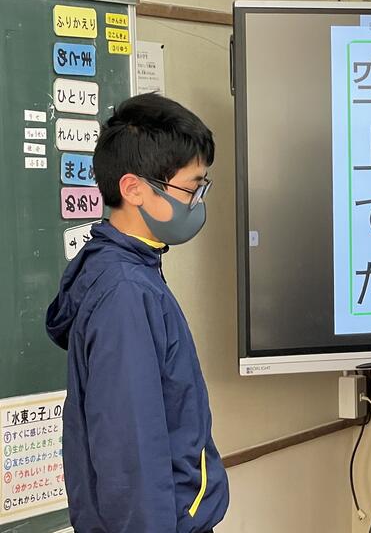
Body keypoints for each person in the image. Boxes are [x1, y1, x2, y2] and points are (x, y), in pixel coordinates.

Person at [46, 94, 229, 533]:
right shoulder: (125, 291)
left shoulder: (131, 269)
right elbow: (131, 453)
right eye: (192, 188)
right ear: (133, 189)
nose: (198, 202)